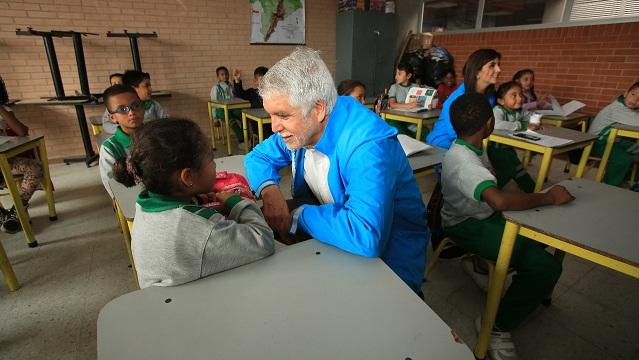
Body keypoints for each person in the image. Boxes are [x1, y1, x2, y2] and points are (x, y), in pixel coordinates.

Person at [244, 47, 429, 295]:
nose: (274, 126)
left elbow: (366, 235)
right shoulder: (301, 126)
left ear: (318, 108)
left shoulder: (368, 146)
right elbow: (257, 157)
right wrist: (269, 191)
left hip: (388, 266)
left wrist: (298, 215)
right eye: (271, 115)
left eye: (282, 115)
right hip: (337, 240)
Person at [441, 93, 571, 360]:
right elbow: (498, 201)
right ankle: (496, 327)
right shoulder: (464, 161)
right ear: (489, 124)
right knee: (546, 267)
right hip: (467, 225)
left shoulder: (471, 147)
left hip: (479, 216)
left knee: (544, 236)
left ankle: (479, 265)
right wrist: (548, 197)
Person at [113, 118, 275, 289]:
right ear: (188, 177)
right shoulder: (201, 227)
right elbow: (263, 240)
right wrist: (235, 202)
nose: (215, 164)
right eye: (211, 159)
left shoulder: (145, 203)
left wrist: (193, 199)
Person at [427, 48, 502, 149]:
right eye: (492, 65)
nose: (498, 70)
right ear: (477, 72)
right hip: (442, 145)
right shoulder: (458, 97)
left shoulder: (490, 97)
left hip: (471, 144)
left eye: (498, 65)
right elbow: (455, 133)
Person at [0, 77, 43, 233]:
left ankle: (16, 210)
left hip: (6, 162)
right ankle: (3, 216)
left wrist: (1, 108)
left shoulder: (5, 110)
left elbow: (22, 132)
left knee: (35, 167)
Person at [488, 81, 538, 193]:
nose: (519, 98)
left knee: (518, 168)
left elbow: (529, 117)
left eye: (521, 95)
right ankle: (491, 191)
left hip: (508, 148)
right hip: (495, 149)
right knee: (508, 170)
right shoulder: (498, 110)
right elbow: (497, 124)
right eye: (514, 95)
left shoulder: (519, 111)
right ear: (501, 101)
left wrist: (536, 121)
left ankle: (532, 189)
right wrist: (522, 126)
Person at [587, 81, 639, 186]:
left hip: (615, 141)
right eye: (633, 94)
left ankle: (624, 178)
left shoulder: (631, 110)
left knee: (637, 152)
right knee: (624, 159)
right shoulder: (616, 108)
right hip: (597, 143)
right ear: (625, 93)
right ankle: (609, 184)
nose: (635, 100)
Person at [98, 84, 144, 197]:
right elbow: (114, 188)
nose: (131, 112)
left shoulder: (157, 136)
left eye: (136, 105)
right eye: (122, 109)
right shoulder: (110, 148)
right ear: (112, 117)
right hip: (135, 201)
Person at [102, 70, 168, 135]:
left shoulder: (153, 104)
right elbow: (107, 125)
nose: (151, 89)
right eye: (146, 86)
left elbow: (166, 120)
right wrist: (126, 130)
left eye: (137, 106)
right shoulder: (115, 107)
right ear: (134, 89)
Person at [211, 66, 244, 148]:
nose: (225, 76)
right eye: (222, 74)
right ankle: (242, 139)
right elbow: (213, 104)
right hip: (221, 111)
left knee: (243, 115)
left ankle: (248, 137)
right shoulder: (216, 88)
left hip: (232, 109)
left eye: (226, 74)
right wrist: (215, 118)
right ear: (218, 77)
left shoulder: (231, 86)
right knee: (231, 120)